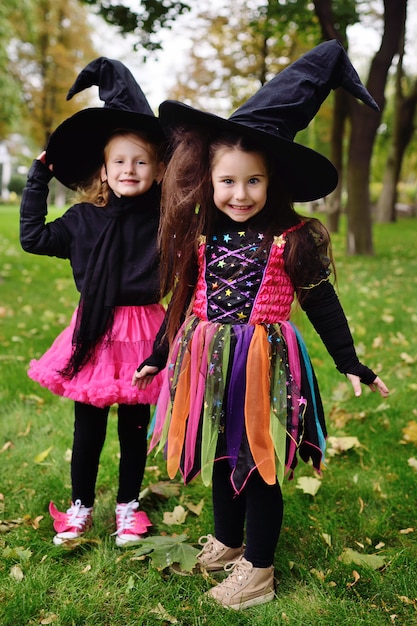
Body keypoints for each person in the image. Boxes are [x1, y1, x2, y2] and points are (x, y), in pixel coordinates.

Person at [132, 40, 389, 609]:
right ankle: (227, 541)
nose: (239, 194)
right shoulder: (202, 235)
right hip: (207, 359)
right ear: (209, 178)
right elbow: (182, 303)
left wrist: (350, 362)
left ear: (272, 182)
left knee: (259, 461)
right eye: (228, 182)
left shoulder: (293, 241)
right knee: (222, 453)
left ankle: (260, 569)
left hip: (264, 365)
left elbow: (323, 305)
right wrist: (157, 351)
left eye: (253, 181)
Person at [20, 58, 166, 546]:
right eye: (120, 160)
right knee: (89, 427)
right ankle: (81, 506)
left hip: (144, 330)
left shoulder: (164, 222)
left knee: (134, 429)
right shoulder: (83, 219)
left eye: (141, 161)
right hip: (95, 332)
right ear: (104, 168)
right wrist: (37, 181)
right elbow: (34, 238)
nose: (130, 168)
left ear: (158, 169)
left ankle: (128, 506)